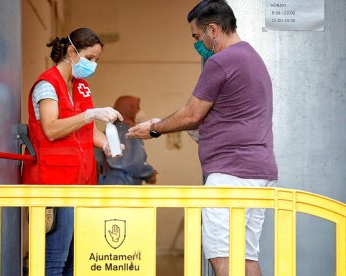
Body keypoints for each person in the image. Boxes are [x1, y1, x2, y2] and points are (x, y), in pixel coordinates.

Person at [126, 1, 278, 276]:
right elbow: (222, 120)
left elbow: (192, 114)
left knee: (222, 260)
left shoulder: (221, 61)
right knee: (247, 259)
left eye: (197, 37)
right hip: (258, 171)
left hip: (230, 175)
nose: (197, 43)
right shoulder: (253, 59)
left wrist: (156, 128)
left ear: (213, 30)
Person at [21, 28, 123, 276]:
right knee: (54, 262)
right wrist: (90, 114)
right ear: (71, 52)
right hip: (54, 185)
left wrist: (107, 143)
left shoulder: (80, 86)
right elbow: (52, 129)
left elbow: (85, 131)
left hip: (81, 185)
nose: (93, 65)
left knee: (74, 262)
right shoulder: (47, 85)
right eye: (89, 58)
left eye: (97, 60)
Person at [101, 95, 157, 185]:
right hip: (125, 183)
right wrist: (149, 173)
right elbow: (135, 161)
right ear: (128, 109)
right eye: (137, 108)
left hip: (109, 181)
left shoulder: (111, 129)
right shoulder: (129, 131)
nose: (140, 112)